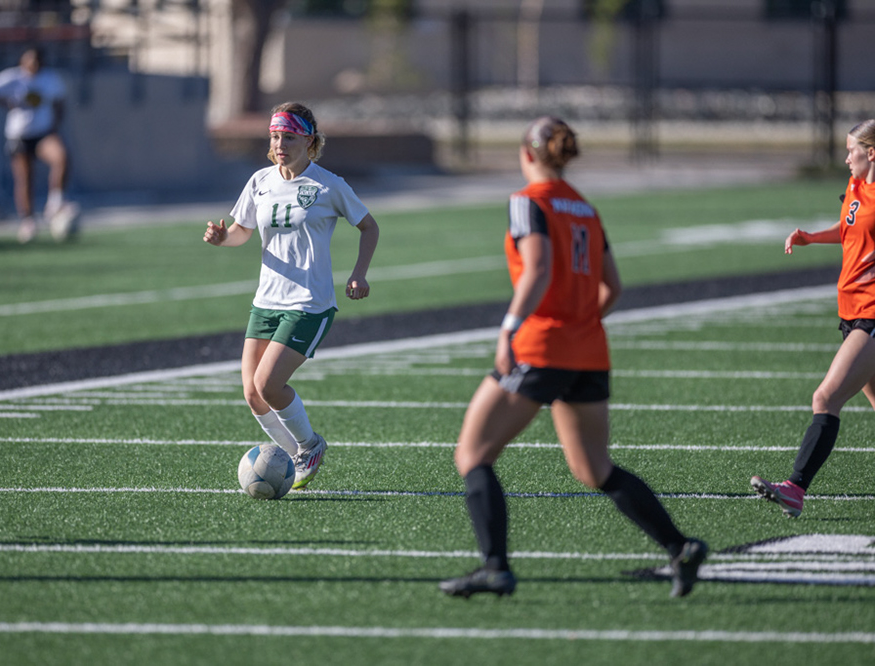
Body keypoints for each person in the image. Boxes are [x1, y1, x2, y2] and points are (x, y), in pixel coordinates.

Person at [438, 116, 708, 599]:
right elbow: (613, 287)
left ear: (527, 154)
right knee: (594, 468)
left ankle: (495, 567)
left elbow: (538, 269)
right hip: (589, 350)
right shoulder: (585, 208)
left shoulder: (527, 201)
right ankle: (679, 547)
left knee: (473, 455)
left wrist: (510, 327)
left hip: (541, 346)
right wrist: (580, 324)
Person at [202, 102, 379, 490]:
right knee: (252, 393)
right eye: (275, 136)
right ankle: (293, 457)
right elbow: (241, 231)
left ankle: (310, 445)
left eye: (288, 137)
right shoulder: (260, 181)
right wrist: (222, 238)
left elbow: (369, 227)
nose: (279, 144)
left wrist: (359, 273)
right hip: (266, 302)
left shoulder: (328, 185)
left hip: (308, 304)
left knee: (269, 385)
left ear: (309, 140)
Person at [751, 119, 875, 518]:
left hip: (871, 315)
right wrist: (810, 237)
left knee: (825, 398)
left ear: (871, 153)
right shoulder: (855, 187)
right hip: (851, 313)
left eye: (851, 151)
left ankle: (795, 489)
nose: (846, 158)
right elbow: (849, 228)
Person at [0, 46, 79, 243]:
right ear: (23, 61)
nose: (33, 64)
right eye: (30, 60)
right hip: (20, 135)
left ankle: (54, 202)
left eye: (37, 60)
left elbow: (60, 103)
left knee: (62, 156)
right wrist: (6, 103)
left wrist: (55, 125)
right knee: (24, 179)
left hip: (43, 133)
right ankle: (28, 221)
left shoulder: (50, 79)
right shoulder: (12, 78)